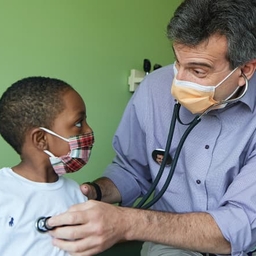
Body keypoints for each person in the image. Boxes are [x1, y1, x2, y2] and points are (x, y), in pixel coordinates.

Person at [47, 0, 256, 255]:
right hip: (171, 245)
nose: (179, 81)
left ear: (245, 68)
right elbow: (132, 169)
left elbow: (241, 225)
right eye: (178, 62)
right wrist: (96, 192)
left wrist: (127, 222)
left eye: (198, 71)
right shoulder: (154, 89)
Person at [0, 76, 94, 256]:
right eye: (78, 123)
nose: (88, 130)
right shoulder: (3, 193)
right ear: (41, 139)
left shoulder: (75, 193)